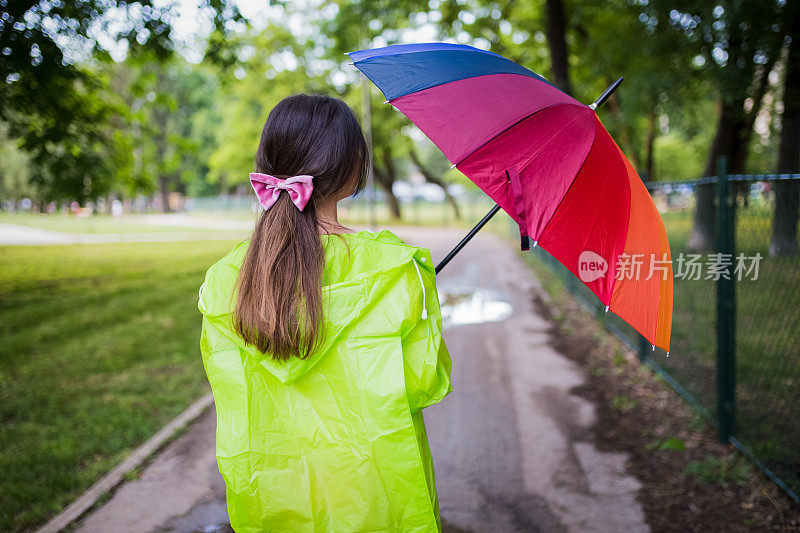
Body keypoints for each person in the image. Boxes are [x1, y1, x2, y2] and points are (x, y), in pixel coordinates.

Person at [197, 93, 453, 532]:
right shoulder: (393, 270)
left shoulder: (225, 279)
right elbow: (425, 384)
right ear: (352, 167)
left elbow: (229, 385)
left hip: (274, 496)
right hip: (379, 496)